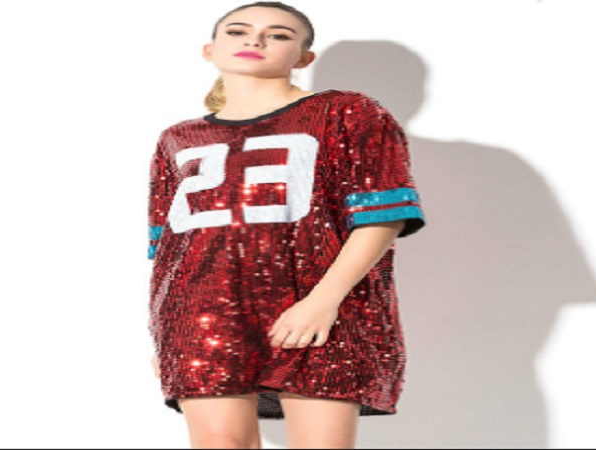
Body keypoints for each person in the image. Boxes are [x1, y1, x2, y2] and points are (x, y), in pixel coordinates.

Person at [147, 2, 427, 448]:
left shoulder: (347, 111)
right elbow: (168, 249)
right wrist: (168, 335)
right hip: (202, 317)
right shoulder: (178, 138)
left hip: (320, 305)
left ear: (304, 57)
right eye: (237, 31)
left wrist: (324, 300)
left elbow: (383, 216)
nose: (255, 39)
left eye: (278, 34)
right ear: (209, 49)